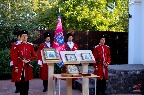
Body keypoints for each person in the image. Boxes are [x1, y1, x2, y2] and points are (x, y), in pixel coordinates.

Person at [14, 30, 36, 95]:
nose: (24, 37)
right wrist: (16, 67)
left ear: (27, 37)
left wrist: (28, 60)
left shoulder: (30, 45)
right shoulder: (17, 46)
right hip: (20, 66)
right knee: (21, 81)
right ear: (20, 37)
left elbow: (34, 56)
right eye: (23, 36)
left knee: (26, 81)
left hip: (27, 66)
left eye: (25, 36)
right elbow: (15, 57)